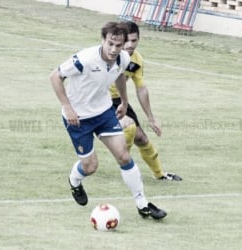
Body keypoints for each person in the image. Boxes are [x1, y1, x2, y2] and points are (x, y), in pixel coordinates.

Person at [50, 21, 167, 220]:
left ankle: (142, 204)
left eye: (118, 45)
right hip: (78, 118)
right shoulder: (84, 59)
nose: (114, 49)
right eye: (110, 43)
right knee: (90, 166)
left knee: (123, 156)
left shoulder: (123, 58)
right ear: (103, 40)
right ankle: (74, 181)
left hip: (104, 113)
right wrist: (68, 107)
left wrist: (124, 100)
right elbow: (55, 76)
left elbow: (120, 75)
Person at [110, 21, 182, 181]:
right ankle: (126, 167)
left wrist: (151, 118)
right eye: (126, 41)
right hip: (98, 99)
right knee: (128, 126)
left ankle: (160, 175)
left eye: (134, 41)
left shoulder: (136, 61)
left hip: (118, 100)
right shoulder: (110, 55)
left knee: (141, 138)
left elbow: (141, 88)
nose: (130, 45)